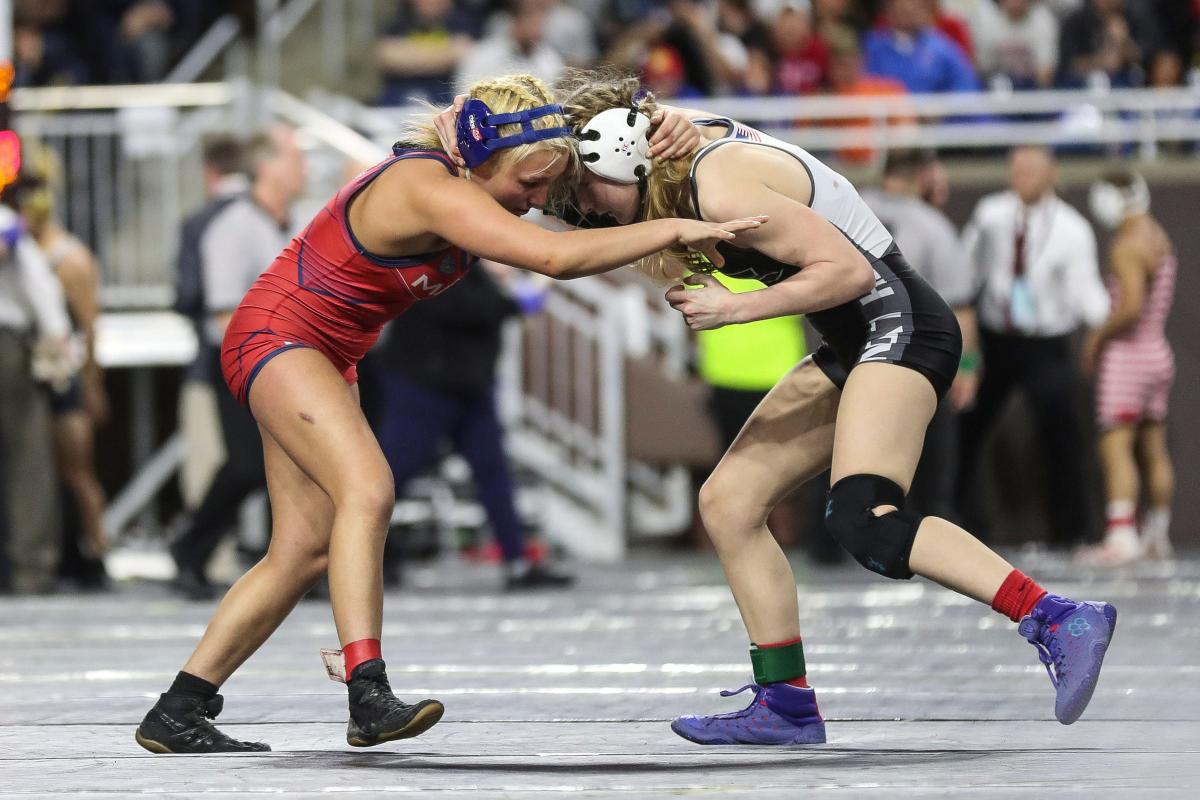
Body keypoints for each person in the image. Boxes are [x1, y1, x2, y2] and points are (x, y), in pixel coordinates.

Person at [134, 72, 763, 755]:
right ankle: (367, 691)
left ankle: (179, 707)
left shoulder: (483, 183)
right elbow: (555, 256)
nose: (534, 201)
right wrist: (675, 226)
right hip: (281, 336)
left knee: (302, 550)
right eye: (527, 185)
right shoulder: (424, 186)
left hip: (319, 348)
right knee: (368, 489)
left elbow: (602, 203)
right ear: (484, 158)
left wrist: (676, 130)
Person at [546, 68, 1117, 745]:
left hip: (898, 322)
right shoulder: (677, 160)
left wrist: (738, 307)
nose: (586, 209)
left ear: (619, 150)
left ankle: (1056, 616)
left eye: (583, 191)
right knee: (728, 504)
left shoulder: (714, 176)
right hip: (858, 335)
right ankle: (785, 702)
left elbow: (847, 272)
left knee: (865, 519)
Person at [369, 262, 574, 590]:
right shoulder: (440, 258)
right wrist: (513, 302)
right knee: (387, 477)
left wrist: (509, 293)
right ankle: (338, 558)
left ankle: (517, 562)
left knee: (494, 473)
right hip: (423, 387)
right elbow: (458, 307)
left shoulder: (477, 270)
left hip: (469, 388)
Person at [167, 128, 306, 600]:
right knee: (247, 466)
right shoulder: (233, 226)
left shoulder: (289, 222)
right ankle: (189, 546)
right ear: (265, 167)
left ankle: (298, 564)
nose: (302, 169)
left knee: (293, 464)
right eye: (293, 159)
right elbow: (224, 312)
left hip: (288, 362)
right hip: (244, 361)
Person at [957, 146, 1110, 549]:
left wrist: (1108, 322)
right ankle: (958, 523)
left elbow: (1086, 292)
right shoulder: (991, 215)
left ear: (1051, 174)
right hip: (997, 338)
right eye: (1016, 169)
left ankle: (1071, 531)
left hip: (1046, 342)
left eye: (1031, 170)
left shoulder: (1072, 229)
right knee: (966, 424)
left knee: (1062, 434)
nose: (1021, 177)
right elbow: (966, 269)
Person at [861, 149, 978, 520]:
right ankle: (932, 532)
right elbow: (959, 303)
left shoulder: (852, 210)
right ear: (922, 177)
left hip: (856, 349)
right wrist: (967, 365)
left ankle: (831, 546)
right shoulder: (931, 225)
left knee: (848, 455)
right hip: (918, 354)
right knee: (931, 461)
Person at [14, 153, 112, 588]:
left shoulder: (70, 257)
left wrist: (93, 383)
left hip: (64, 373)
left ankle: (98, 553)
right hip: (32, 371)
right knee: (40, 470)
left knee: (76, 469)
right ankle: (63, 554)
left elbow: (90, 326)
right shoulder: (21, 250)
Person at [1077, 170, 1175, 564]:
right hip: (1158, 352)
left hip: (1129, 357)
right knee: (1153, 447)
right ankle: (1158, 534)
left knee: (1115, 447)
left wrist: (1098, 336)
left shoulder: (1126, 245)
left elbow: (1131, 306)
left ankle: (1122, 538)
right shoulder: (1158, 236)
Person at [0, 203, 72, 594]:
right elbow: (36, 281)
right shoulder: (6, 222)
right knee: (26, 459)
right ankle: (32, 568)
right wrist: (58, 334)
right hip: (6, 345)